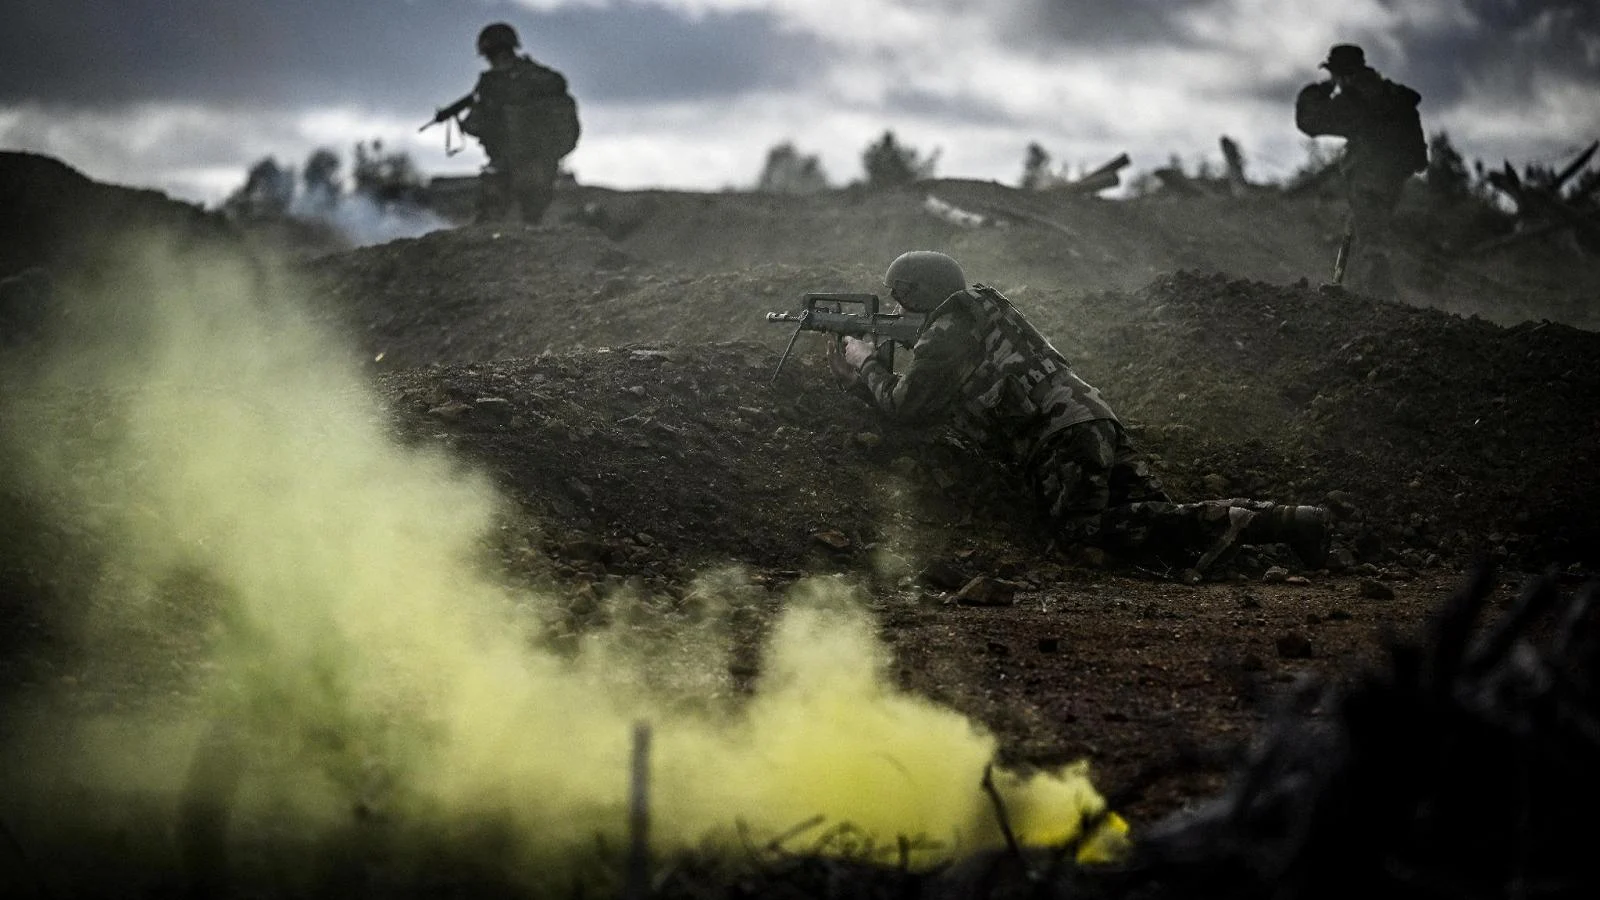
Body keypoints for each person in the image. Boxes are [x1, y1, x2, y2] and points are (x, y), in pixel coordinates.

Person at [827, 251, 1330, 575]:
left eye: (902, 299)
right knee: (1160, 521)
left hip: (1060, 438)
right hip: (1091, 417)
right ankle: (1288, 521)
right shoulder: (984, 313)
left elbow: (903, 406)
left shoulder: (944, 333)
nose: (898, 308)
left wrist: (864, 360)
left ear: (917, 293)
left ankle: (1249, 522)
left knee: (1082, 534)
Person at [1295, 43, 1428, 300]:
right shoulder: (1389, 94)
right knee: (1363, 232)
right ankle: (1353, 290)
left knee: (1371, 244)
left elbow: (1310, 121)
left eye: (1334, 74)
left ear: (1342, 74)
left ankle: (1381, 302)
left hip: (1369, 179)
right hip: (1392, 179)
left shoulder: (1358, 99)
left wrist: (1321, 90)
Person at [459, 22, 581, 225]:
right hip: (541, 163)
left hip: (513, 164)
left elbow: (478, 123)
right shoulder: (540, 77)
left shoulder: (494, 84)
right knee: (534, 220)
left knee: (494, 221)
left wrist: (467, 124)